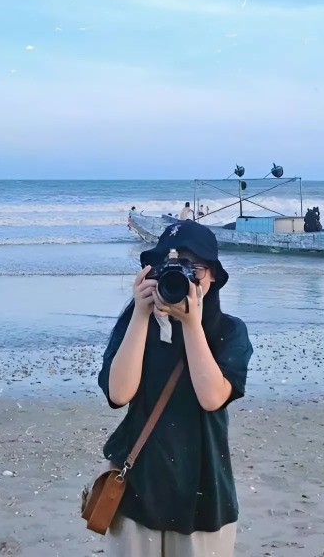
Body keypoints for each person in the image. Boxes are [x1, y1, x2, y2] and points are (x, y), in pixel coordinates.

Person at [98, 220, 253, 556]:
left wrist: (191, 324)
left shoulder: (229, 332)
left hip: (203, 493)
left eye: (190, 267)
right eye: (167, 267)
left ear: (211, 275)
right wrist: (140, 315)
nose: (179, 277)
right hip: (138, 489)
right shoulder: (134, 326)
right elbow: (118, 394)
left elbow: (212, 398)